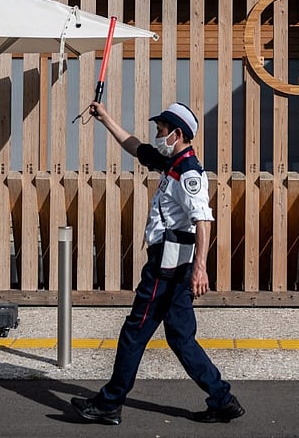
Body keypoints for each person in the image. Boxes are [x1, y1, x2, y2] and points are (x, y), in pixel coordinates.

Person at [71, 101, 244, 425]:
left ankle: (109, 403)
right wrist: (105, 117)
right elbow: (136, 147)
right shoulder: (172, 162)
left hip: (168, 266)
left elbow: (203, 220)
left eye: (161, 130)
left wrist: (201, 268)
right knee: (180, 337)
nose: (157, 135)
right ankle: (222, 399)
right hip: (173, 264)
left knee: (134, 332)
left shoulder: (188, 171)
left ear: (177, 134)